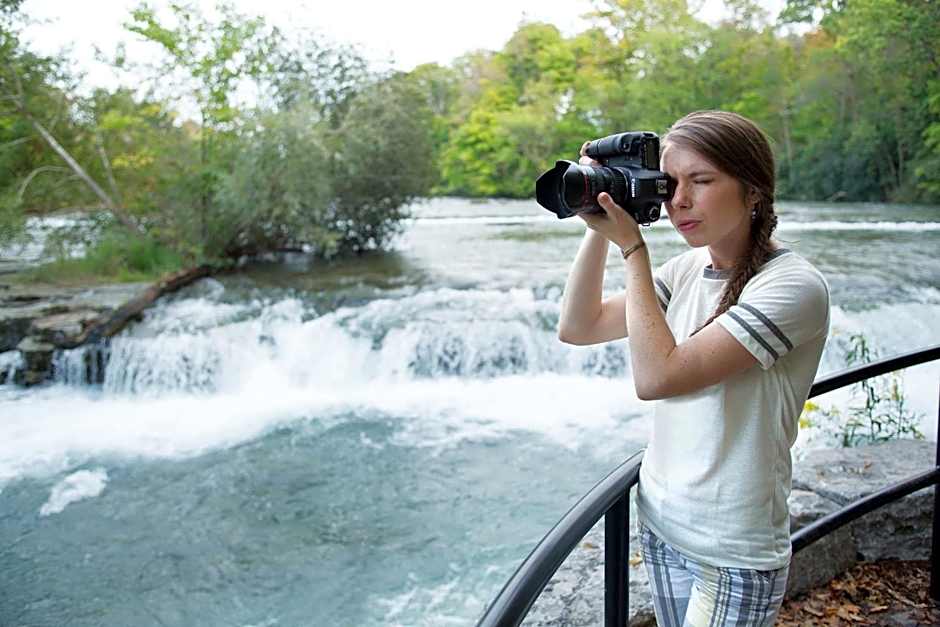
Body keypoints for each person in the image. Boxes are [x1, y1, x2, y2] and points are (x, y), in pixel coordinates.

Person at [557, 110, 830, 626]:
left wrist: (633, 249)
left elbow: (658, 378)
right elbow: (579, 326)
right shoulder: (687, 269)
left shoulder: (792, 286)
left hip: (732, 549)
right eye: (670, 183)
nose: (678, 200)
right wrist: (600, 214)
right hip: (662, 524)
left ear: (753, 191)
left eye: (701, 181)